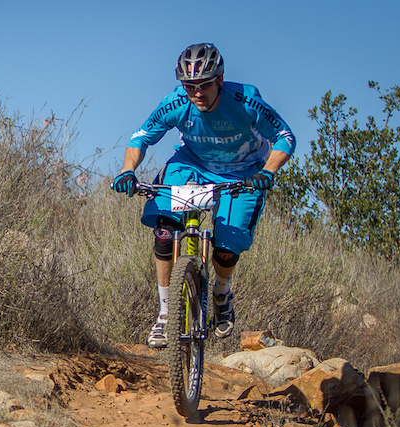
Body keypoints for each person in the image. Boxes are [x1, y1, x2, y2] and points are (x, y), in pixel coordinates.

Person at [111, 43, 295, 348]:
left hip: (243, 171)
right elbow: (141, 136)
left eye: (205, 84)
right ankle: (166, 313)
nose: (197, 92)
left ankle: (221, 292)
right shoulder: (175, 103)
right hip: (192, 165)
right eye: (189, 86)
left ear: (220, 79)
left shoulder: (246, 101)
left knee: (226, 247)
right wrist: (127, 170)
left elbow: (285, 136)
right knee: (164, 229)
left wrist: (268, 171)